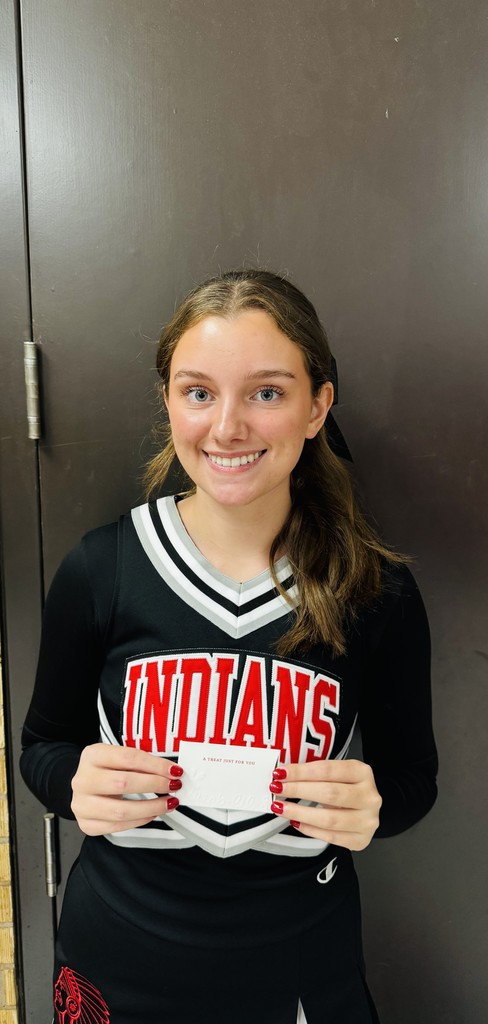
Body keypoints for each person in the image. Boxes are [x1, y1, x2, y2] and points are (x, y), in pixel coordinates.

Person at [21, 268, 438, 1024]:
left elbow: (413, 780)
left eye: (268, 393)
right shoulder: (102, 567)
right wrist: (71, 784)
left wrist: (373, 809)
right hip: (116, 954)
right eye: (199, 392)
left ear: (319, 406)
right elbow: (43, 746)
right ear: (170, 402)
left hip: (299, 968)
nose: (226, 429)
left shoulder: (376, 589)